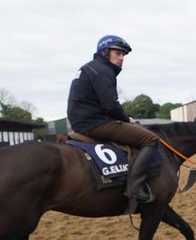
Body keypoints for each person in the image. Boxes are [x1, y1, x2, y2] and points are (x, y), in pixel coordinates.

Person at [68, 34, 159, 214]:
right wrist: (127, 119)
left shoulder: (90, 68)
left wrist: (123, 117)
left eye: (123, 54)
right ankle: (135, 188)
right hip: (95, 123)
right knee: (151, 139)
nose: (121, 58)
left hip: (83, 121)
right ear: (104, 52)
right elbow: (110, 105)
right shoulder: (103, 71)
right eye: (118, 53)